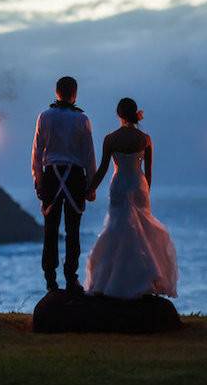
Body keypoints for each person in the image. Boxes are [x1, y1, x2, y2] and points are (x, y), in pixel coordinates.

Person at [84, 97, 178, 298]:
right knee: (141, 231)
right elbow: (149, 171)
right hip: (138, 185)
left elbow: (102, 169)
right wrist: (146, 192)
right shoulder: (145, 139)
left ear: (118, 115)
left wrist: (90, 189)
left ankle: (111, 282)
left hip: (118, 185)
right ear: (134, 114)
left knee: (117, 230)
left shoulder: (110, 139)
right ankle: (142, 281)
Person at [31, 76, 97, 293]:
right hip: (75, 178)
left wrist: (38, 181)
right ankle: (71, 278)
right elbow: (89, 156)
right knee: (73, 231)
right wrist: (92, 185)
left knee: (50, 231)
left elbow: (37, 153)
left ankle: (50, 281)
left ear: (56, 92)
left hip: (51, 176)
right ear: (75, 93)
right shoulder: (82, 119)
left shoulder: (44, 116)